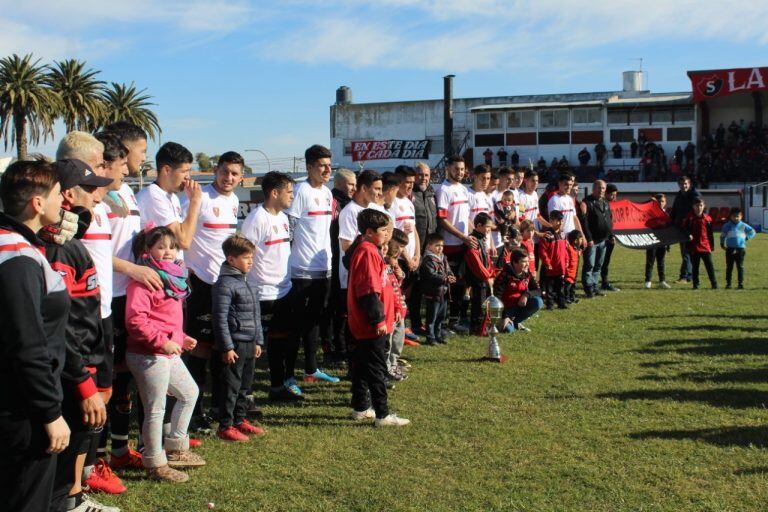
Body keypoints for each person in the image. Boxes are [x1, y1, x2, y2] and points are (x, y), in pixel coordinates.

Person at [42, 158, 123, 511]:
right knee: (64, 437)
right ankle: (65, 500)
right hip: (67, 366)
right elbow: (62, 325)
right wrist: (83, 377)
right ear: (66, 194)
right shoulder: (56, 248)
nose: (96, 196)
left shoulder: (72, 242)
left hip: (88, 349)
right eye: (89, 189)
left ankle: (73, 498)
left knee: (79, 433)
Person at [0, 160, 71, 512]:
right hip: (22, 411)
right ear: (38, 204)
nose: (65, 203)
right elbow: (27, 344)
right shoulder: (17, 257)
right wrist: (49, 413)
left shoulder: (14, 244)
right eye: (59, 195)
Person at [125, 226, 204, 483]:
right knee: (155, 410)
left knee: (189, 393)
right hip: (148, 354)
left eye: (172, 246)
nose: (168, 251)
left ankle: (177, 448)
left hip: (167, 352)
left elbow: (168, 319)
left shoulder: (175, 277)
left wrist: (181, 338)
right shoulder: (144, 281)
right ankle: (155, 463)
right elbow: (136, 320)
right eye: (161, 246)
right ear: (148, 250)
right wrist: (162, 342)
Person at [100, 122, 155, 471]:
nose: (142, 158)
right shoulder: (97, 196)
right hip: (107, 297)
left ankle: (120, 448)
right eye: (142, 151)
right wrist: (133, 270)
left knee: (126, 376)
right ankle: (98, 455)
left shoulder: (128, 191)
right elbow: (93, 251)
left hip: (130, 297)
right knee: (108, 376)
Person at [181, 152, 243, 433]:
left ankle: (219, 407)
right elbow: (181, 234)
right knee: (199, 348)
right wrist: (186, 270)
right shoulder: (199, 197)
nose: (229, 178)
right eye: (225, 172)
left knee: (222, 345)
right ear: (215, 171)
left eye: (235, 174)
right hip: (201, 284)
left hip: (225, 285)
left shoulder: (234, 201)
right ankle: (194, 412)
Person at [344, 208, 410, 427]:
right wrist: (378, 320)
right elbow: (368, 290)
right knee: (376, 369)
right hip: (369, 324)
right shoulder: (367, 252)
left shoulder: (369, 249)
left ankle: (361, 407)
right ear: (370, 232)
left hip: (368, 323)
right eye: (383, 230)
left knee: (362, 367)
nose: (387, 233)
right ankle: (383, 415)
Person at [240, 172, 302, 401]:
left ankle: (277, 387)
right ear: (274, 193)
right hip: (261, 293)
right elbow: (244, 254)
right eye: (289, 192)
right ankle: (245, 395)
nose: (292, 196)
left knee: (280, 342)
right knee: (253, 348)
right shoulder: (257, 218)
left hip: (283, 291)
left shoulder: (284, 218)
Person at [286, 145, 338, 384]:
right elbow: (291, 227)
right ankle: (287, 375)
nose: (327, 170)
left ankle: (311, 368)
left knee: (315, 321)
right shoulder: (300, 191)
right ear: (309, 167)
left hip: (323, 267)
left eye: (329, 165)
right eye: (322, 165)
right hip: (301, 269)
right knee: (296, 324)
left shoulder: (327, 193)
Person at [212, 235, 265, 442]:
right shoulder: (224, 284)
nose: (250, 261)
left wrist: (258, 340)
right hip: (234, 344)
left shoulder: (247, 283)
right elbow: (219, 317)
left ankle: (239, 420)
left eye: (251, 257)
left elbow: (256, 315)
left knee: (245, 385)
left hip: (250, 343)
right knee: (231, 386)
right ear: (231, 260)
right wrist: (226, 346)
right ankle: (225, 425)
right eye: (245, 257)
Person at [436, 156, 474, 333]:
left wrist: (474, 237)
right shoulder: (443, 190)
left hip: (464, 244)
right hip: (450, 245)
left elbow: (466, 217)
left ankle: (456, 319)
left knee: (462, 283)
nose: (460, 172)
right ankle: (444, 322)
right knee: (450, 284)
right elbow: (442, 220)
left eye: (462, 169)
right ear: (448, 169)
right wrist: (461, 236)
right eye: (456, 169)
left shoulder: (464, 189)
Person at [326, 168, 356, 365]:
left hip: (344, 261)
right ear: (339, 184)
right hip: (334, 260)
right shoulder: (333, 202)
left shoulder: (350, 203)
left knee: (344, 307)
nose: (353, 188)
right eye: (350, 184)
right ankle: (335, 349)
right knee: (335, 308)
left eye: (355, 184)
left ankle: (343, 346)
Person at [410, 162, 438, 335]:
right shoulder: (409, 193)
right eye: (420, 174)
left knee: (430, 285)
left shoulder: (432, 192)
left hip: (431, 247)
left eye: (426, 175)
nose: (423, 178)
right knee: (415, 287)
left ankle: (432, 323)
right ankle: (414, 322)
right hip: (415, 248)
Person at [493, 249, 543, 333]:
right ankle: (508, 322)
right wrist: (504, 316)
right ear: (515, 262)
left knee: (538, 302)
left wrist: (526, 295)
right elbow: (497, 297)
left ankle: (517, 322)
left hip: (519, 306)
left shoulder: (527, 274)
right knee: (508, 330)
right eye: (524, 261)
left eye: (528, 261)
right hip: (506, 309)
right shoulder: (504, 275)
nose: (527, 264)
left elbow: (538, 290)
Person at [419, 233, 455, 346]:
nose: (440, 248)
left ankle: (438, 335)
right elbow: (432, 275)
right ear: (429, 246)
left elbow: (448, 269)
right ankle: (430, 337)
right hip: (433, 292)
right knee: (432, 317)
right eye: (437, 245)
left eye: (442, 246)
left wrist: (451, 276)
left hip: (443, 292)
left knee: (441, 316)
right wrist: (445, 279)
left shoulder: (443, 257)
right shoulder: (428, 260)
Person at [463, 213, 496, 334]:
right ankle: (476, 328)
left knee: (484, 302)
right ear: (479, 225)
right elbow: (475, 262)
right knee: (478, 304)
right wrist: (487, 276)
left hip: (483, 277)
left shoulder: (482, 238)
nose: (489, 229)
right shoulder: (473, 239)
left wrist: (491, 274)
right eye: (487, 227)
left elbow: (486, 259)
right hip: (477, 278)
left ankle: (483, 326)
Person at [383, 229, 409, 382]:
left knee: (398, 340)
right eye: (399, 246)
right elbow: (386, 287)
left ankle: (393, 364)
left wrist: (400, 276)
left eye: (403, 248)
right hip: (390, 310)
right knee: (389, 341)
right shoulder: (384, 261)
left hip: (399, 309)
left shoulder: (395, 262)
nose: (401, 251)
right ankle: (386, 367)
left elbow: (396, 285)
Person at [578, 180, 611, 298]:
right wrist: (589, 238)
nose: (601, 190)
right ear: (593, 189)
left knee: (598, 265)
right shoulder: (586, 202)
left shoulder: (605, 202)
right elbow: (584, 222)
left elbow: (609, 219)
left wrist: (610, 235)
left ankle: (595, 286)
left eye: (603, 188)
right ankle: (588, 289)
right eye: (599, 188)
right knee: (589, 265)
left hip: (603, 240)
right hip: (592, 241)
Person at [670, 175, 701, 284]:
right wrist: (671, 221)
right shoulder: (679, 195)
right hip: (681, 227)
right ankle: (690, 276)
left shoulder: (695, 195)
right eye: (682, 184)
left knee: (687, 252)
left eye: (686, 184)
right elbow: (674, 210)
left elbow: (700, 210)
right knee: (687, 252)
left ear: (690, 184)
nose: (684, 186)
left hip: (691, 227)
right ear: (679, 185)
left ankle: (684, 276)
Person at [683, 198, 717, 290]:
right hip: (694, 247)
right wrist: (688, 235)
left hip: (706, 247)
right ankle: (696, 285)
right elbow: (684, 230)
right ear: (693, 207)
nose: (699, 207)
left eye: (701, 205)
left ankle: (714, 284)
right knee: (695, 267)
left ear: (704, 206)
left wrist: (712, 245)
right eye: (697, 205)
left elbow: (710, 234)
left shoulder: (708, 219)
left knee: (710, 266)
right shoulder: (689, 219)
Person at [538, 210, 568, 310]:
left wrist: (566, 260)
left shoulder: (563, 234)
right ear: (551, 221)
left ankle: (561, 303)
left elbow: (565, 250)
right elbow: (542, 251)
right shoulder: (548, 235)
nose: (560, 223)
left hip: (561, 266)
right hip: (551, 266)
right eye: (557, 221)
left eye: (561, 221)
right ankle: (550, 304)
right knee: (549, 287)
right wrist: (547, 262)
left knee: (561, 286)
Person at [720, 207, 756, 289]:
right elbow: (723, 235)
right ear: (730, 216)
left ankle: (740, 283)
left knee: (740, 266)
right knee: (729, 266)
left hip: (740, 249)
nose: (736, 218)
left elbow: (752, 232)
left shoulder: (743, 225)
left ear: (741, 216)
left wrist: (747, 238)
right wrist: (722, 243)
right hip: (730, 249)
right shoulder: (727, 226)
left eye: (738, 216)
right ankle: (728, 283)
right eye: (734, 216)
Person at [644, 194, 672, 290]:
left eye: (662, 201)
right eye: (658, 202)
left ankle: (662, 281)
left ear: (665, 203)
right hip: (651, 240)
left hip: (662, 241)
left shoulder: (667, 215)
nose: (660, 203)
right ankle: (648, 281)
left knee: (661, 261)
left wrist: (668, 243)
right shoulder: (650, 213)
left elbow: (669, 230)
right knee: (650, 261)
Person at [547, 172, 582, 238]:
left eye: (571, 185)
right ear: (559, 184)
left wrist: (582, 235)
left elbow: (574, 218)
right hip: (562, 238)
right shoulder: (554, 200)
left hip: (573, 237)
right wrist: (561, 237)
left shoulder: (570, 199)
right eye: (566, 184)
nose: (569, 187)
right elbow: (554, 223)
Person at [600, 183, 620, 292]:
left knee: (606, 261)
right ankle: (597, 283)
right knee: (599, 261)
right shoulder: (602, 203)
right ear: (606, 194)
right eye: (612, 195)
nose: (614, 198)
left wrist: (612, 235)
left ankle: (604, 281)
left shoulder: (609, 204)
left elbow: (610, 222)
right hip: (601, 238)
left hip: (608, 237)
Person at [565, 230, 584, 304]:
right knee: (567, 287)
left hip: (574, 272)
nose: (582, 241)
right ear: (575, 240)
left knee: (573, 286)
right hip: (569, 273)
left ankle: (572, 297)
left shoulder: (577, 249)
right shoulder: (569, 248)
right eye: (581, 239)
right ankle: (566, 298)